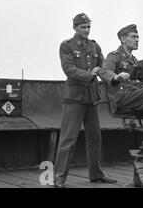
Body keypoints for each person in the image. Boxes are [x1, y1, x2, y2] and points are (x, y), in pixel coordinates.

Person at [53, 13, 117, 188]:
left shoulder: (95, 46)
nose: (87, 30)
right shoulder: (66, 46)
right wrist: (91, 74)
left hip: (91, 98)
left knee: (95, 138)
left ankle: (96, 175)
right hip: (74, 99)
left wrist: (115, 78)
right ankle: (59, 178)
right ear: (75, 28)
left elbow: (104, 68)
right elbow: (69, 69)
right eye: (83, 27)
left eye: (88, 27)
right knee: (68, 139)